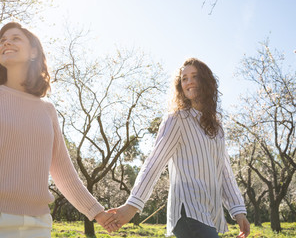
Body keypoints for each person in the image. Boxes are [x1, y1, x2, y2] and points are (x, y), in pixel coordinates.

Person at [0, 22, 117, 237]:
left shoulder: (47, 110)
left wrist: (97, 213)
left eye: (15, 38)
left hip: (37, 225)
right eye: (2, 41)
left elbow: (65, 174)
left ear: (33, 52)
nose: (6, 42)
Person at [106, 58, 250, 238]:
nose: (189, 81)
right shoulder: (177, 120)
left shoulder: (217, 128)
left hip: (210, 213)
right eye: (184, 78)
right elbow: (154, 163)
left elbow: (224, 171)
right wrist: (132, 206)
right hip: (187, 211)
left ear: (206, 81)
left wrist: (238, 211)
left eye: (194, 76)